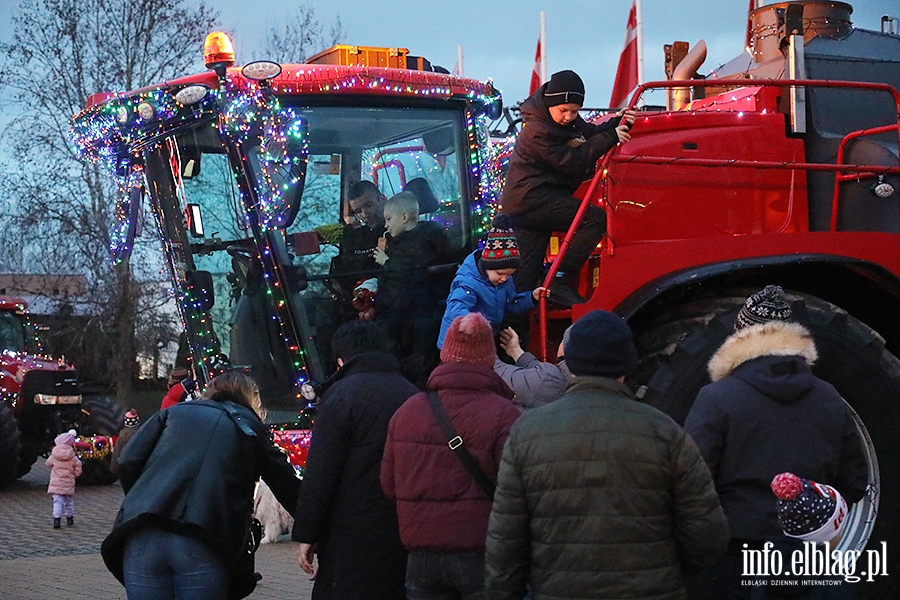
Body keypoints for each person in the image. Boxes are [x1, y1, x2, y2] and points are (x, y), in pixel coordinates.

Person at [485, 310, 729, 599]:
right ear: (626, 364)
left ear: (570, 363)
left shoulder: (527, 433)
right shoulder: (665, 432)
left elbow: (505, 545)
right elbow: (707, 539)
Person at [683, 285, 868, 599]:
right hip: (810, 559)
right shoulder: (828, 396)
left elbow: (691, 482)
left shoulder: (717, 399)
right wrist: (814, 520)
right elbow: (854, 481)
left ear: (740, 339)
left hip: (739, 561)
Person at [101, 371, 301, 600]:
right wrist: (313, 532)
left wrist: (144, 497)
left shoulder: (173, 413)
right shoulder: (250, 428)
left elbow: (127, 460)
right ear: (252, 397)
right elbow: (286, 483)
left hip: (141, 535)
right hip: (205, 538)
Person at [381, 312, 522, 600]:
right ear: (488, 358)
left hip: (420, 557)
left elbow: (388, 484)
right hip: (481, 554)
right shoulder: (504, 413)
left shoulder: (408, 411)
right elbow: (516, 490)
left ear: (446, 354)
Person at [292, 320, 417, 600]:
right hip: (405, 529)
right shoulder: (413, 394)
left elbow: (321, 472)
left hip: (350, 532)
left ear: (340, 361)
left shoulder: (340, 396)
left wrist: (307, 533)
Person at [500, 70, 635, 306]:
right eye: (564, 111)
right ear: (552, 104)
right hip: (533, 200)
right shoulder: (537, 130)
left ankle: (522, 332)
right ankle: (559, 279)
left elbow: (590, 134)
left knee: (524, 282)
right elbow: (571, 161)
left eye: (575, 111)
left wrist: (619, 123)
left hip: (530, 202)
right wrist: (611, 136)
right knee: (594, 219)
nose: (569, 117)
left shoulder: (560, 119)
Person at [437, 214, 545, 349]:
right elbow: (455, 309)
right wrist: (477, 325)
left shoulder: (503, 281)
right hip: (459, 342)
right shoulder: (468, 282)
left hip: (483, 339)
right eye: (500, 273)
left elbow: (511, 303)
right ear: (488, 266)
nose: (504, 278)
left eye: (509, 274)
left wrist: (531, 298)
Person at [493, 325, 570, 411]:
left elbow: (499, 374)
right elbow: (540, 375)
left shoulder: (550, 379)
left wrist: (482, 347)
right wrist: (515, 351)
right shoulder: (577, 378)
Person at [331, 181, 388, 293]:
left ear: (382, 199)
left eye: (368, 205)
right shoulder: (353, 238)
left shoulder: (399, 233)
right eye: (358, 211)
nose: (365, 214)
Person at [46, 429, 82, 529]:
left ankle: (56, 520)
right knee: (68, 501)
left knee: (57, 501)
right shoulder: (73, 457)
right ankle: (69, 518)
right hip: (68, 482)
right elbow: (78, 468)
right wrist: (74, 475)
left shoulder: (54, 456)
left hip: (56, 482)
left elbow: (48, 464)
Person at [110, 409, 141, 474]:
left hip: (127, 463)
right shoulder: (142, 432)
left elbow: (117, 451)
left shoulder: (123, 435)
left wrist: (113, 468)